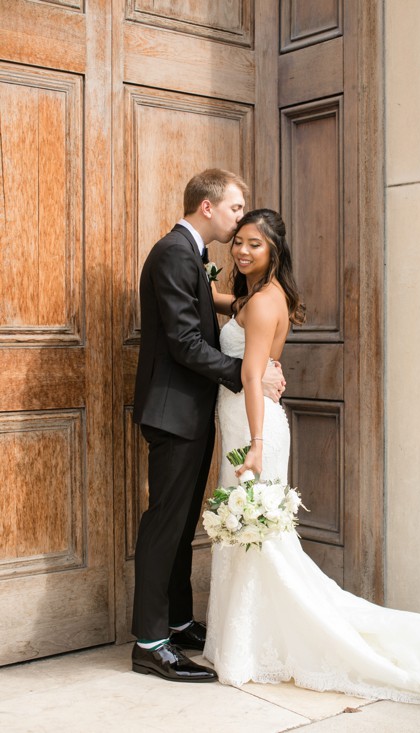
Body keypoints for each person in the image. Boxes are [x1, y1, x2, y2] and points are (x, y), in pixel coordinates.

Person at [202, 209, 420, 718]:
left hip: (253, 429)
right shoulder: (261, 296)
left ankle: (249, 646)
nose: (242, 252)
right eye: (238, 243)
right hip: (250, 424)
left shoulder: (264, 303)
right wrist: (203, 289)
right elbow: (235, 309)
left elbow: (249, 376)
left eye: (255, 246)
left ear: (275, 253)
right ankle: (246, 639)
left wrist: (258, 443)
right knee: (253, 537)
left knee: (256, 537)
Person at [131, 170, 285, 682]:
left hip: (191, 412)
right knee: (163, 524)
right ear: (207, 207)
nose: (240, 217)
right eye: (236, 208)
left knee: (179, 525)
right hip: (174, 413)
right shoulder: (176, 252)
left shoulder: (188, 255)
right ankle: (151, 644)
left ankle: (175, 622)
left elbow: (208, 315)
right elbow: (183, 342)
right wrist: (247, 378)